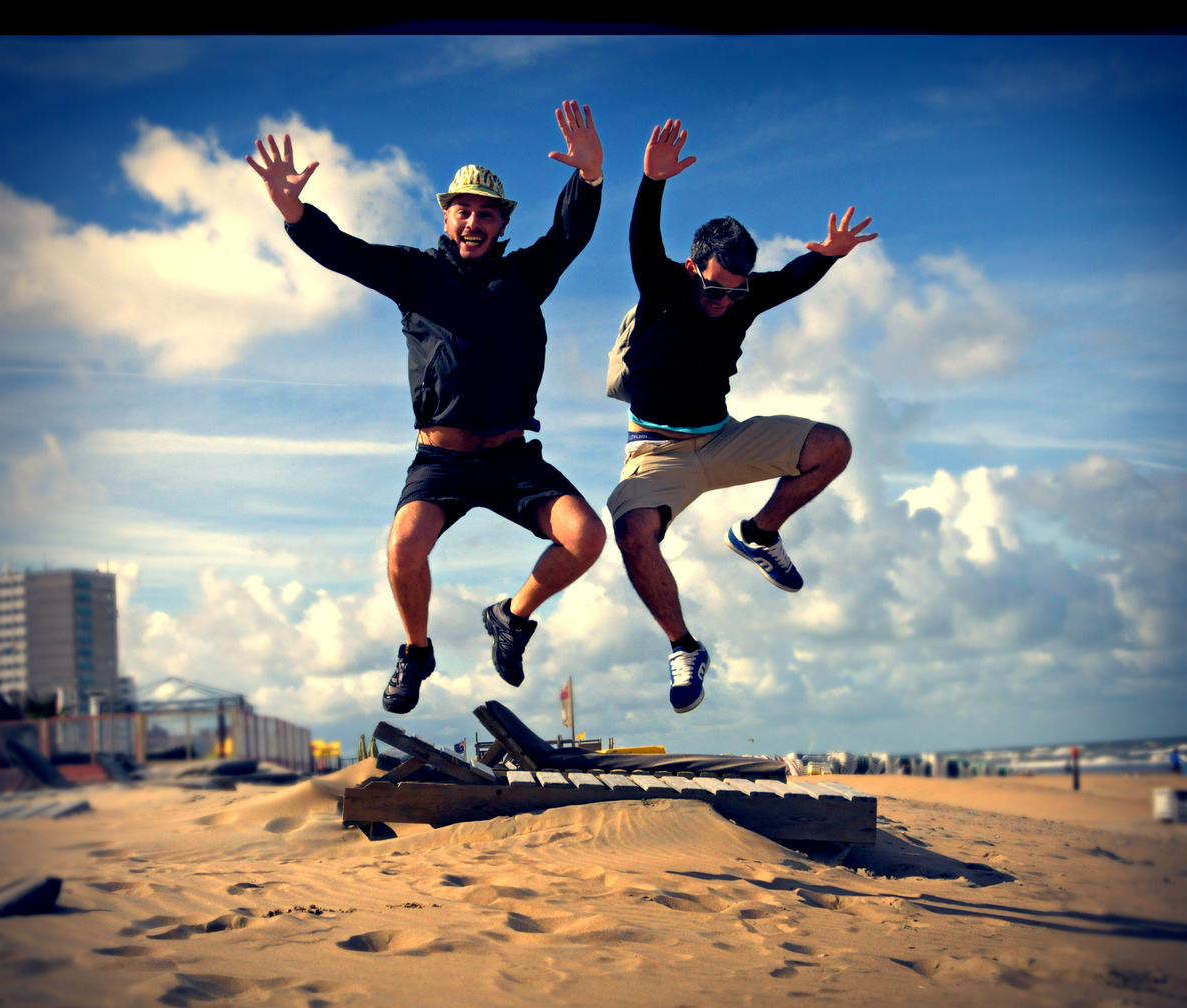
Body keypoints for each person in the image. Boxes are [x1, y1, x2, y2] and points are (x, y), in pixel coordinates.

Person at [246, 101, 607, 713]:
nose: (473, 220)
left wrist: (590, 176)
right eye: (462, 209)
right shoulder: (415, 275)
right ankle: (416, 653)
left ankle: (511, 618)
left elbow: (570, 233)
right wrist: (293, 211)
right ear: (446, 215)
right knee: (403, 549)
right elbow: (343, 251)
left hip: (514, 459)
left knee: (588, 537)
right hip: (442, 462)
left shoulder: (525, 276)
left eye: (486, 213)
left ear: (500, 223)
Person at [607, 119, 876, 712]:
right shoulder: (665, 287)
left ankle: (758, 534)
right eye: (713, 288)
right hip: (657, 451)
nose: (721, 302)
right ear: (692, 267)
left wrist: (829, 257)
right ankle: (684, 647)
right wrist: (652, 182)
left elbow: (793, 280)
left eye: (733, 292)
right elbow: (641, 243)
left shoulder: (743, 296)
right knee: (631, 533)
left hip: (722, 439)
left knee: (833, 446)